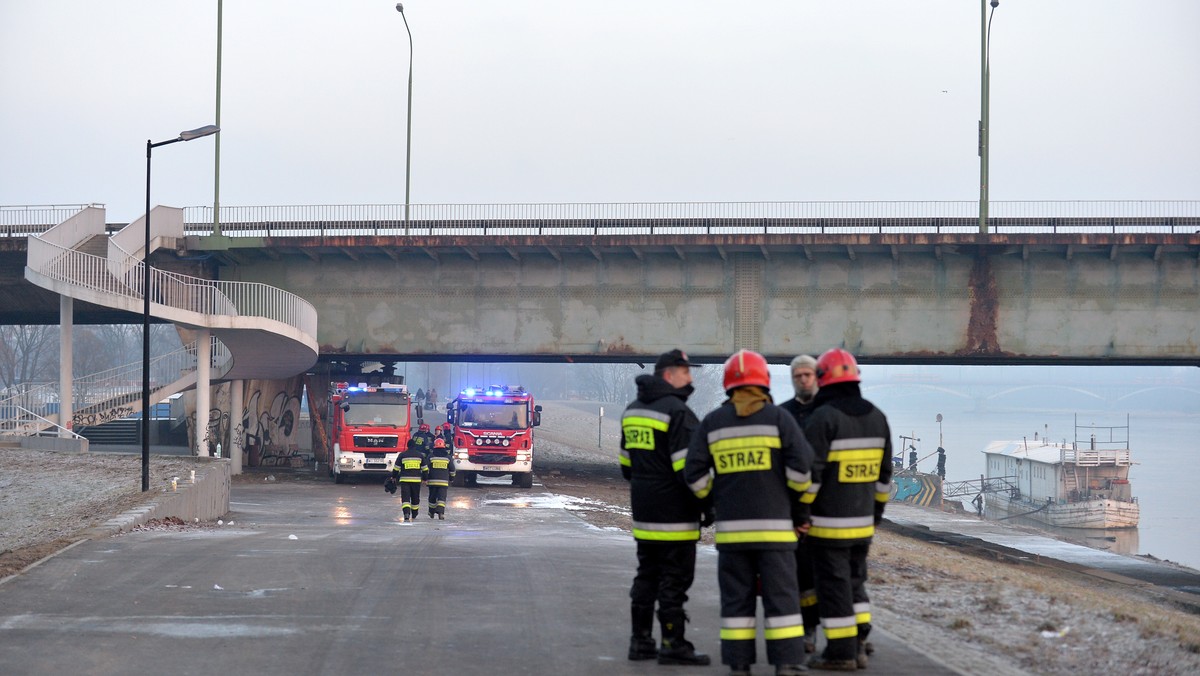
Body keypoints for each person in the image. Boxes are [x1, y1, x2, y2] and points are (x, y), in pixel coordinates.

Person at [684, 349, 815, 676]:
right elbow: (802, 472)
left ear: (730, 384)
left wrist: (712, 503)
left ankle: (739, 666)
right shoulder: (779, 419)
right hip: (776, 535)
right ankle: (785, 664)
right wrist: (800, 515)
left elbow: (694, 474)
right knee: (782, 602)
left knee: (736, 604)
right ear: (764, 383)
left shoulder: (713, 422)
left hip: (733, 537)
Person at [803, 348, 893, 671]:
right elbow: (884, 479)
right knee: (855, 582)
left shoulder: (823, 419)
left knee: (833, 587)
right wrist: (876, 514)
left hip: (827, 526)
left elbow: (809, 478)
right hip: (863, 524)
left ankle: (840, 652)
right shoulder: (877, 417)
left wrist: (801, 515)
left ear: (824, 381)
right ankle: (858, 642)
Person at [619, 349, 710, 666]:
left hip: (644, 515)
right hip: (676, 517)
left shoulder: (632, 411)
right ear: (669, 375)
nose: (691, 377)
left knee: (646, 576)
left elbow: (626, 467)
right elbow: (690, 472)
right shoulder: (679, 413)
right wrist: (708, 506)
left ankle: (640, 642)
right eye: (686, 371)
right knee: (674, 581)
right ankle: (674, 644)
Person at [779, 354, 822, 653]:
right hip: (792, 505)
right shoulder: (783, 415)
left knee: (840, 573)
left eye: (808, 374)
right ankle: (807, 628)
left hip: (826, 505)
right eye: (798, 375)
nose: (804, 379)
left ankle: (855, 635)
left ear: (817, 376)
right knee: (801, 572)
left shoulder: (829, 413)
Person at [391, 438, 429, 522]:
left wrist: (393, 477)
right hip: (416, 481)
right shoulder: (420, 455)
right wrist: (425, 479)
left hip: (405, 481)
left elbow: (396, 468)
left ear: (407, 446)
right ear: (415, 446)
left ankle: (406, 514)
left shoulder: (402, 455)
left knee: (405, 498)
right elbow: (425, 469)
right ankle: (414, 514)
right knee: (415, 498)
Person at [425, 437, 455, 519]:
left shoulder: (431, 456)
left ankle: (431, 513)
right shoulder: (448, 457)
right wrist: (451, 479)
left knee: (432, 498)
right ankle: (441, 513)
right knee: (442, 498)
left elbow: (425, 468)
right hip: (443, 482)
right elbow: (452, 470)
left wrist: (425, 478)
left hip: (432, 482)